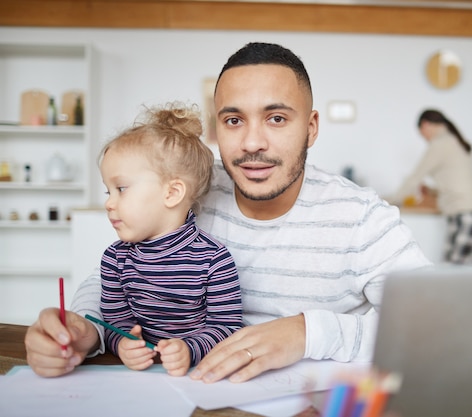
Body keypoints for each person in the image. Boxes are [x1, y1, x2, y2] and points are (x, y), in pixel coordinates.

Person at [24, 42, 431, 382]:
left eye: (276, 118)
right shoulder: (191, 190)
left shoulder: (362, 218)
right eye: (234, 120)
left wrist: (307, 331)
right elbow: (120, 274)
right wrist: (86, 329)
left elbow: (437, 328)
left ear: (311, 128)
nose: (253, 142)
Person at [96, 102, 243, 376]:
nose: (109, 203)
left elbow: (227, 327)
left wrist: (189, 349)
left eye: (121, 189)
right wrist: (122, 344)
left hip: (198, 379)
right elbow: (115, 321)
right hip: (138, 380)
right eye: (108, 192)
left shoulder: (213, 260)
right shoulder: (114, 260)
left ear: (172, 193)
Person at [392, 109, 472, 265]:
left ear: (425, 125)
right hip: (468, 219)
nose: (425, 138)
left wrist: (386, 202)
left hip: (465, 219)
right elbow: (455, 186)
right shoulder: (453, 141)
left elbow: (414, 179)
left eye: (422, 133)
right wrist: (430, 191)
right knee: (455, 278)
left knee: (453, 279)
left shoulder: (441, 143)